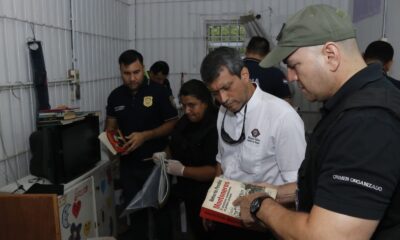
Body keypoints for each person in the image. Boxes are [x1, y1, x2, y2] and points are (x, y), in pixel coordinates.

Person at [234, 4, 400, 239]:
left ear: (330, 55)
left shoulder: (368, 121)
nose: (290, 76)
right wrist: (271, 192)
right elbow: (333, 185)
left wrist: (262, 206)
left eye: (294, 65)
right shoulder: (352, 103)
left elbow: (329, 236)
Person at [200, 46, 306, 239]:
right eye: (214, 92)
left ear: (245, 75)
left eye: (226, 87)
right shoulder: (222, 112)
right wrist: (211, 204)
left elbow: (298, 187)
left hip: (263, 224)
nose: (222, 99)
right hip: (227, 218)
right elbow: (222, 162)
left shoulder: (282, 116)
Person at [105, 49, 178, 239]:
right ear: (120, 71)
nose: (132, 78)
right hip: (129, 167)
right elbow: (111, 128)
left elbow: (172, 124)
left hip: (156, 165)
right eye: (126, 73)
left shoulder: (159, 91)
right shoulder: (115, 96)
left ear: (143, 68)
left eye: (136, 72)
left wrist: (146, 136)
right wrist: (113, 140)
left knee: (161, 215)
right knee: (136, 217)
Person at [153, 79, 218, 239]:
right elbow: (173, 143)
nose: (187, 110)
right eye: (183, 106)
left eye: (192, 105)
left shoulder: (215, 126)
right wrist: (164, 154)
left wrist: (182, 171)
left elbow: (212, 170)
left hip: (208, 193)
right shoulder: (185, 121)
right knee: (195, 229)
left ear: (205, 102)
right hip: (189, 191)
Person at [244, 36, 292, 103]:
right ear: (268, 53)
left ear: (246, 50)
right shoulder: (276, 74)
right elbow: (287, 102)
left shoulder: (232, 70)